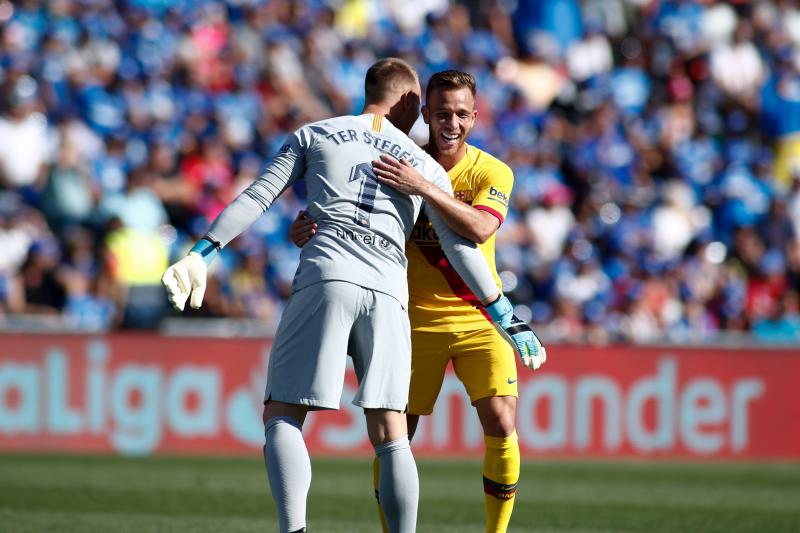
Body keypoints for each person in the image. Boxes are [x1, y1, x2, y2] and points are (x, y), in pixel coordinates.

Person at [162, 58, 545, 533]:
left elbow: (259, 196)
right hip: (391, 294)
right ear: (412, 104)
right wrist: (503, 310)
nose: (441, 124)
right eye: (434, 112)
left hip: (328, 274)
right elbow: (461, 248)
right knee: (393, 437)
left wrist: (205, 250)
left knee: (283, 414)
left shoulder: (317, 132)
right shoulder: (421, 162)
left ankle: (294, 529)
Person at [291, 70, 543, 533]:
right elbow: (352, 216)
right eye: (442, 113)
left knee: (502, 419)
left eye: (462, 114)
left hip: (478, 317)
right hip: (410, 321)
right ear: (425, 113)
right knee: (395, 436)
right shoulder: (393, 161)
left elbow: (482, 229)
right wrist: (306, 229)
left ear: (475, 117)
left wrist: (424, 186)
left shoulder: (491, 171)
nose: (452, 123)